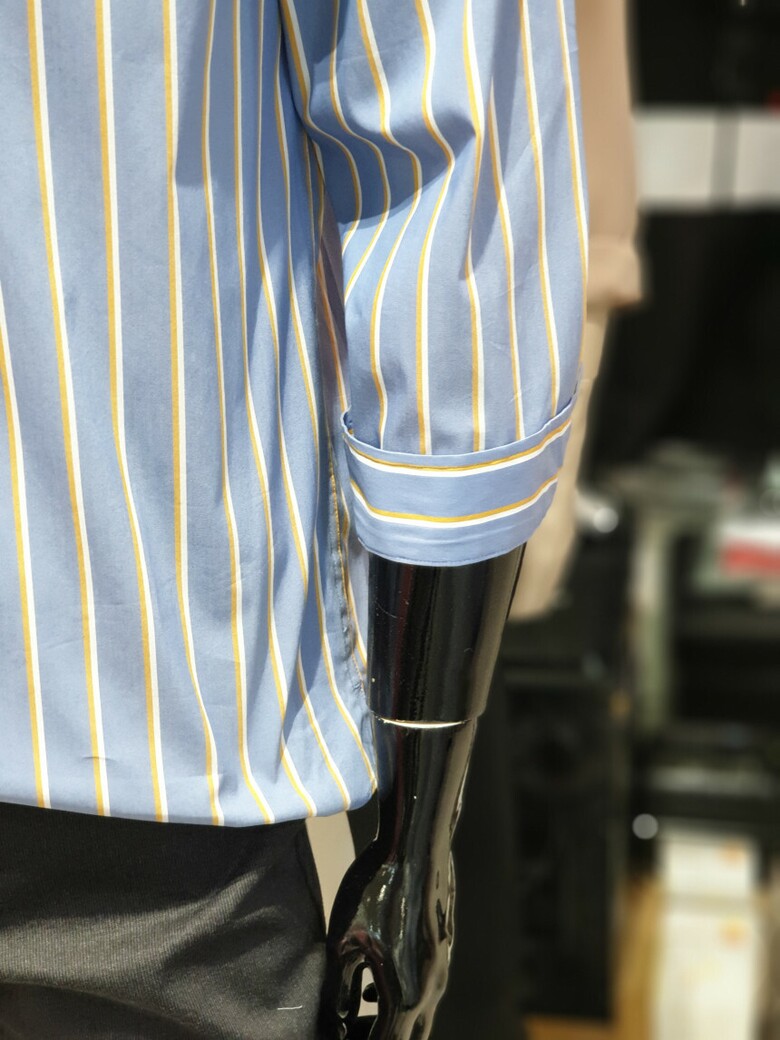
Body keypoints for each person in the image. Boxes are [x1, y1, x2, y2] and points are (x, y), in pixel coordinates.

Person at [0, 1, 586, 1037]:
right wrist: (418, 826)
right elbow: (454, 157)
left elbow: (438, 139)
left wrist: (415, 827)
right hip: (147, 732)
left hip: (147, 801)